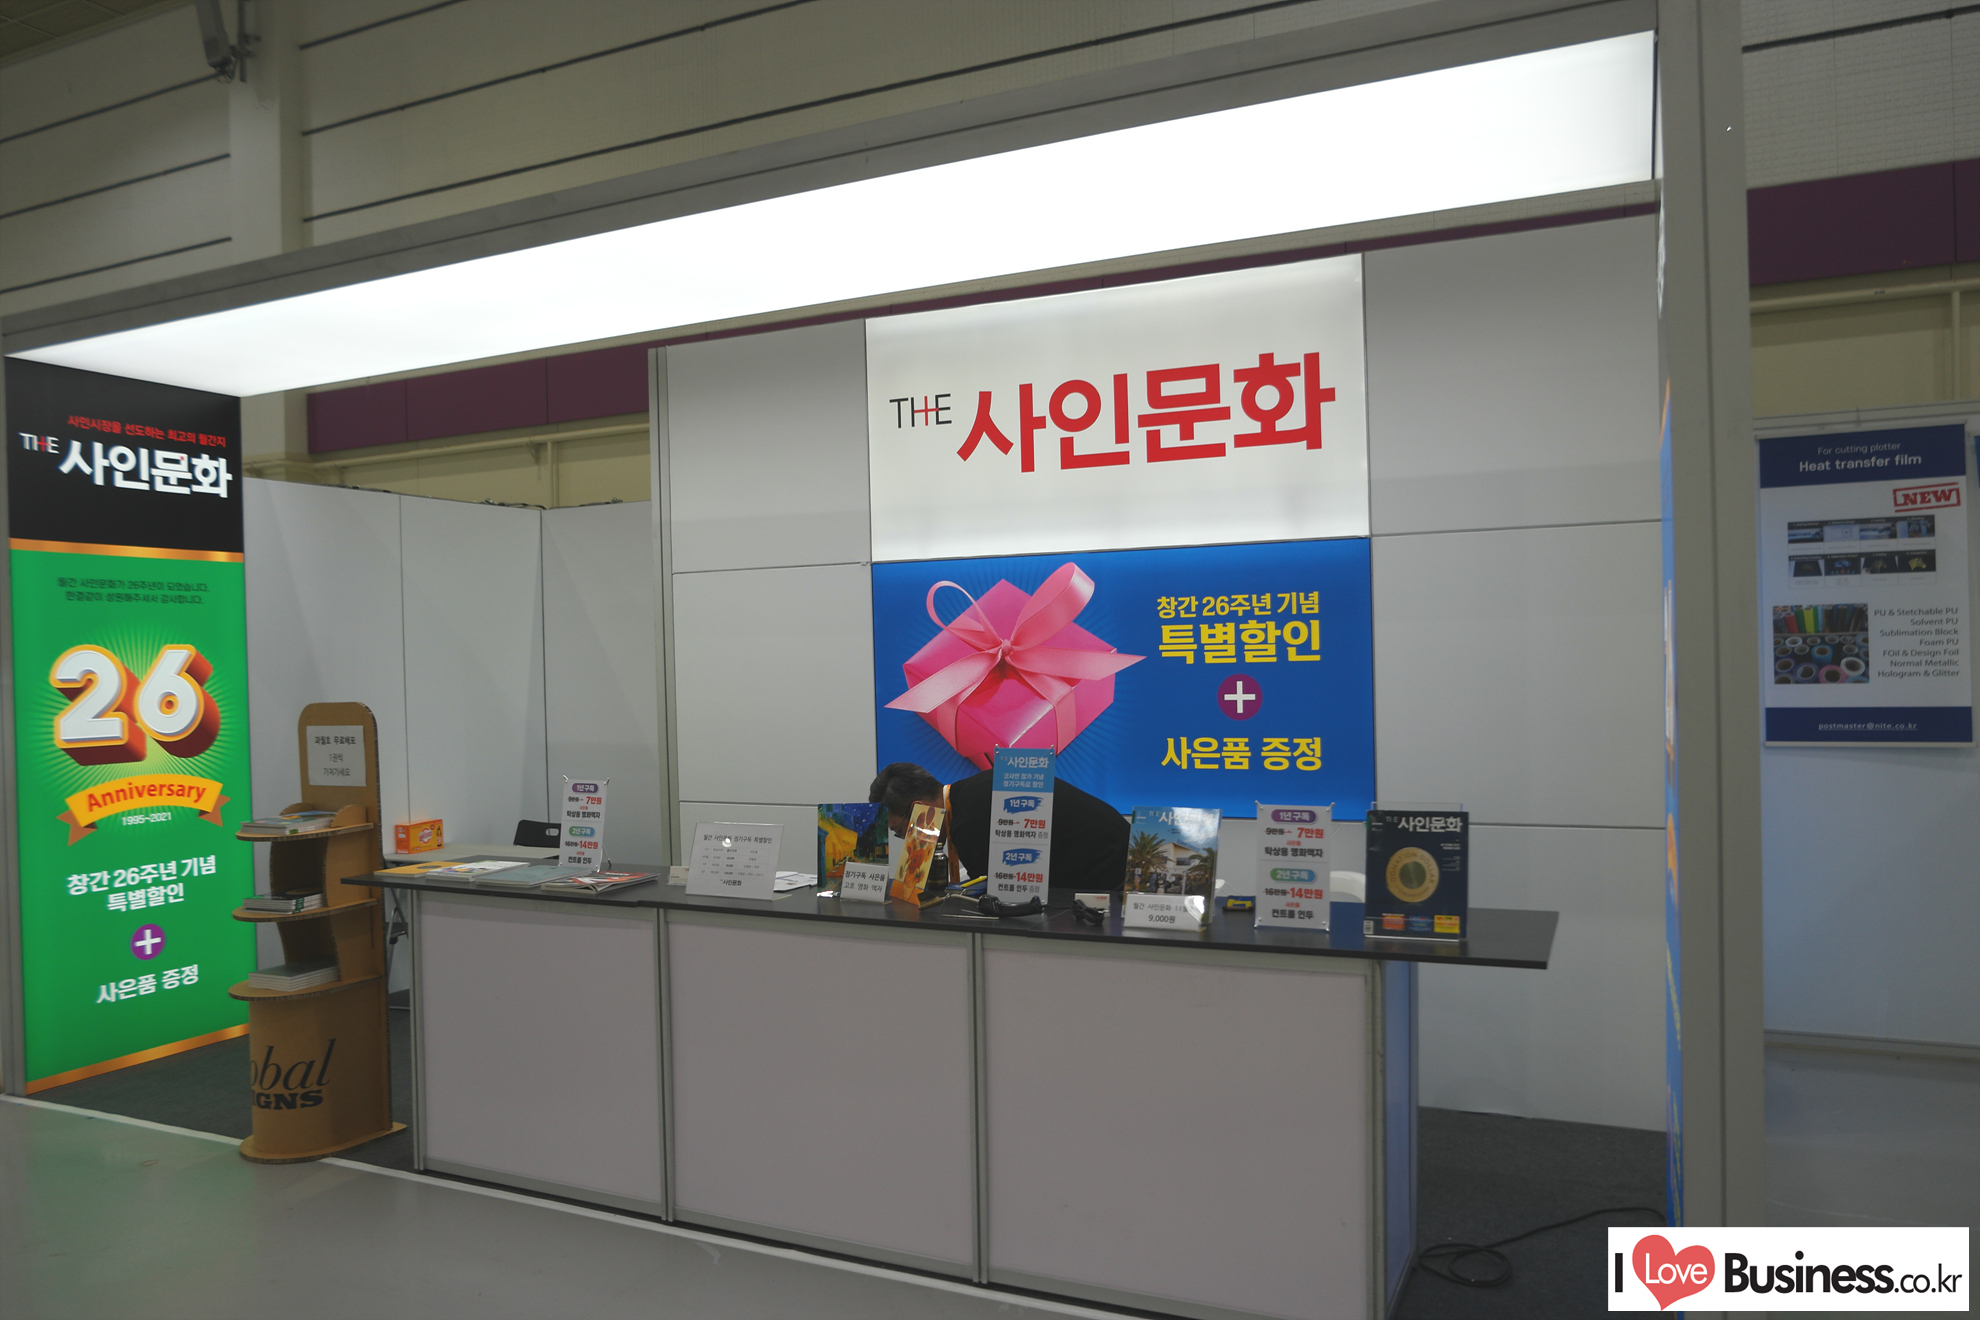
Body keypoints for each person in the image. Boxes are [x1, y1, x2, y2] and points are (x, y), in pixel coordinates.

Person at [868, 761, 1130, 897]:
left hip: (1111, 876)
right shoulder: (972, 791)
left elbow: (997, 896)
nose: (907, 838)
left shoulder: (969, 822)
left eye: (901, 830)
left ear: (919, 809)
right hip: (1115, 854)